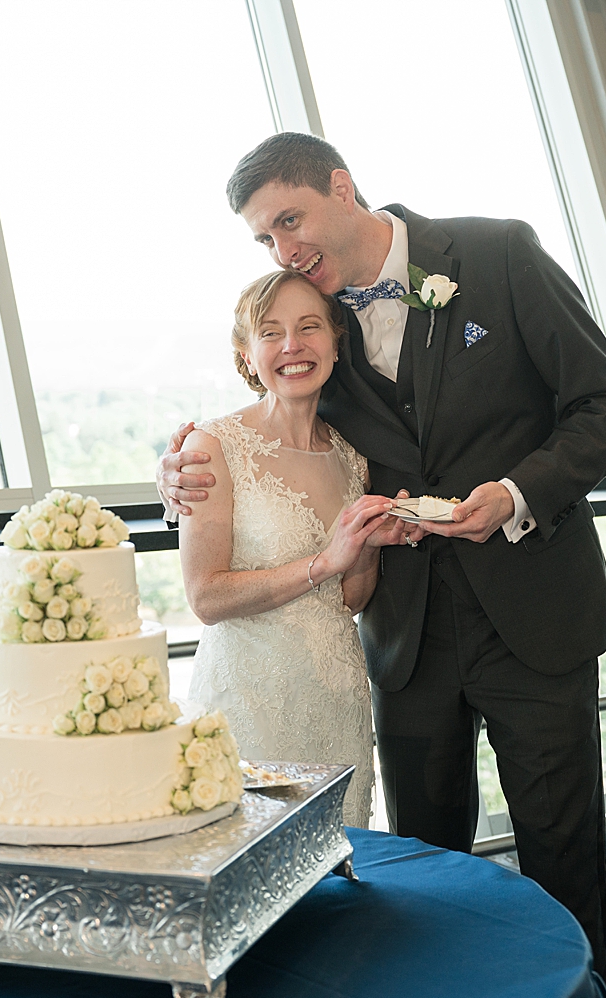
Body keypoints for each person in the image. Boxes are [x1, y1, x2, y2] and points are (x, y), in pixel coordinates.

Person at [158, 132, 606, 995]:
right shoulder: (318, 314)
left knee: (562, 854)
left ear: (342, 187)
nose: (284, 249)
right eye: (265, 240)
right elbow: (275, 415)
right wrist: (177, 472)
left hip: (535, 614)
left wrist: (517, 493)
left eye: (289, 221)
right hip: (401, 634)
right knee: (425, 872)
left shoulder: (497, 252)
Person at [180, 268, 403, 828]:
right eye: (271, 332)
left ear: (334, 343)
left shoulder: (353, 458)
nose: (292, 346)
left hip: (337, 699)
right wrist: (323, 561)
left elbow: (349, 599)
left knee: (336, 865)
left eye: (309, 327)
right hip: (250, 704)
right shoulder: (213, 446)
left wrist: (367, 546)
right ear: (247, 354)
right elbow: (205, 597)